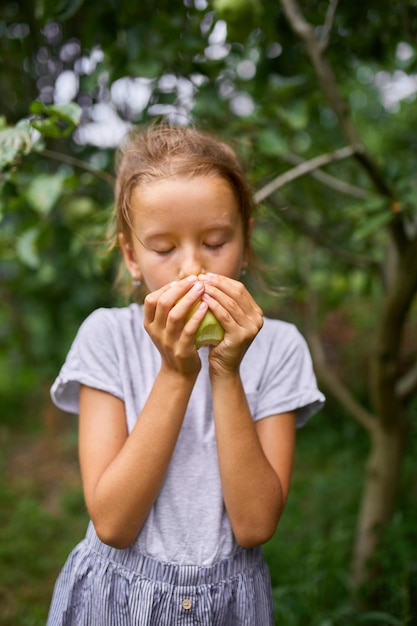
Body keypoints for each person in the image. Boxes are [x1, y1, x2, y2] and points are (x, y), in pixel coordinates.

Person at [47, 123, 325, 626]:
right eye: (163, 249)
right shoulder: (106, 338)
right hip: (113, 601)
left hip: (229, 605)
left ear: (244, 241)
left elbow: (255, 524)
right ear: (131, 256)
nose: (192, 268)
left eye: (216, 241)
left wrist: (225, 371)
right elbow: (111, 522)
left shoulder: (280, 348)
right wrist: (177, 372)